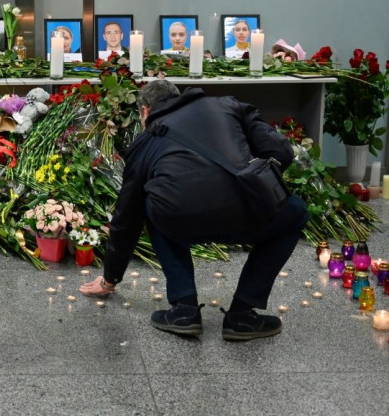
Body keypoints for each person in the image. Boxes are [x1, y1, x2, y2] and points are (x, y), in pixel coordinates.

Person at [79, 79, 309, 342]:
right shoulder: (229, 105)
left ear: (144, 111)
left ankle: (184, 309)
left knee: (151, 201)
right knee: (296, 213)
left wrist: (110, 278)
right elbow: (281, 152)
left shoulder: (146, 142)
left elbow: (126, 217)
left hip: (181, 219)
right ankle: (243, 314)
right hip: (246, 211)